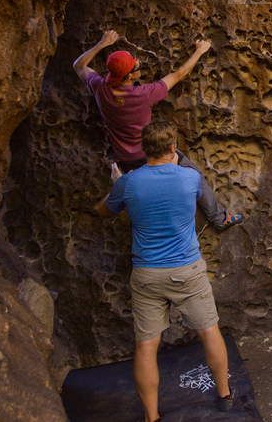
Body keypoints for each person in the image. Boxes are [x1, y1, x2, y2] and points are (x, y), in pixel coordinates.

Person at [95, 121, 234, 420]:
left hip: (147, 273)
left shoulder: (129, 182)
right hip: (187, 269)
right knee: (209, 330)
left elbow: (103, 211)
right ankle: (224, 395)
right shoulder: (189, 178)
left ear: (144, 149)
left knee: (146, 345)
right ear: (173, 148)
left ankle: (152, 416)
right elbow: (206, 203)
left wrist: (116, 185)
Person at [73, 30, 242, 231]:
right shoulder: (143, 95)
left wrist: (102, 43)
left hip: (125, 159)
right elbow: (179, 74)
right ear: (130, 76)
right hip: (151, 153)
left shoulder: (100, 87)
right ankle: (219, 218)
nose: (138, 65)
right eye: (136, 66)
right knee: (194, 175)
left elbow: (78, 65)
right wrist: (199, 51)